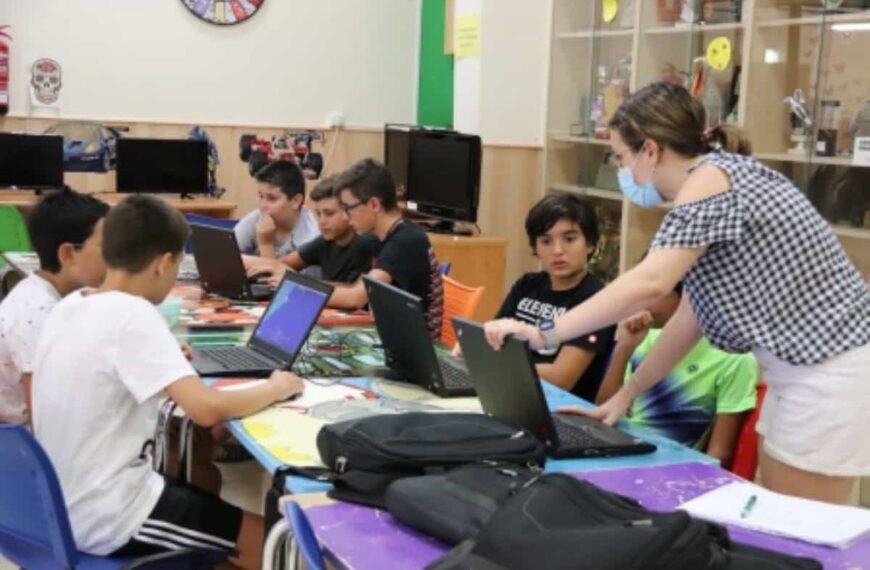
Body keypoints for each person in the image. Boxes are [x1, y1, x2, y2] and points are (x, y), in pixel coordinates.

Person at [483, 82, 869, 504]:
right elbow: (692, 316)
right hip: (799, 372)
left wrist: (544, 334)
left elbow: (650, 282)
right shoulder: (709, 185)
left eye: (620, 158)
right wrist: (627, 396)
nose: (620, 170)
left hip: (828, 372)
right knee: (783, 515)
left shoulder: (711, 182)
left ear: (650, 150)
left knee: (808, 526)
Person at [31, 195, 303, 568]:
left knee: (209, 505)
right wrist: (277, 387)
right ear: (163, 264)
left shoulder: (72, 304)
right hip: (108, 515)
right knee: (275, 541)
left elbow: (103, 362)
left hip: (59, 503)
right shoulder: (135, 314)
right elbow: (206, 411)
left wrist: (159, 355)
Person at [596, 277, 758, 468]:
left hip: (663, 466)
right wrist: (623, 349)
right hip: (611, 447)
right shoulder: (648, 334)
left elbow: (720, 454)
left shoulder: (735, 358)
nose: (640, 303)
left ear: (687, 299)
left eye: (653, 295)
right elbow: (603, 408)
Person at [491, 193, 615, 402]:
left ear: (590, 244)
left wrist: (498, 365)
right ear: (535, 248)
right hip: (513, 391)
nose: (557, 251)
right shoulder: (527, 285)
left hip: (560, 409)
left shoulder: (597, 300)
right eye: (546, 241)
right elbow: (494, 340)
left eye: (569, 239)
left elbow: (562, 378)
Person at [0, 188, 109, 425]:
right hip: (21, 442)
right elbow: (44, 423)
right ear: (68, 253)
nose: (115, 256)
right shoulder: (37, 314)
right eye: (106, 246)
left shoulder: (43, 291)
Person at [329, 158, 443, 340]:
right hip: (387, 339)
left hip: (415, 352)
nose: (344, 217)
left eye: (348, 208)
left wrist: (304, 296)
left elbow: (356, 297)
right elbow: (355, 287)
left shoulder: (407, 240)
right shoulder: (378, 238)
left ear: (374, 204)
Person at [243, 174, 378, 286]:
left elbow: (353, 291)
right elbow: (276, 266)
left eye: (329, 213)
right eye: (318, 214)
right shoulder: (324, 242)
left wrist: (295, 280)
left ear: (348, 211)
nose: (322, 222)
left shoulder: (365, 243)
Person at [234, 159, 320, 259]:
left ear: (296, 201)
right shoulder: (258, 217)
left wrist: (265, 244)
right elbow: (223, 254)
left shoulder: (311, 237)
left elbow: (276, 273)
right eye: (261, 196)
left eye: (272, 198)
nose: (262, 205)